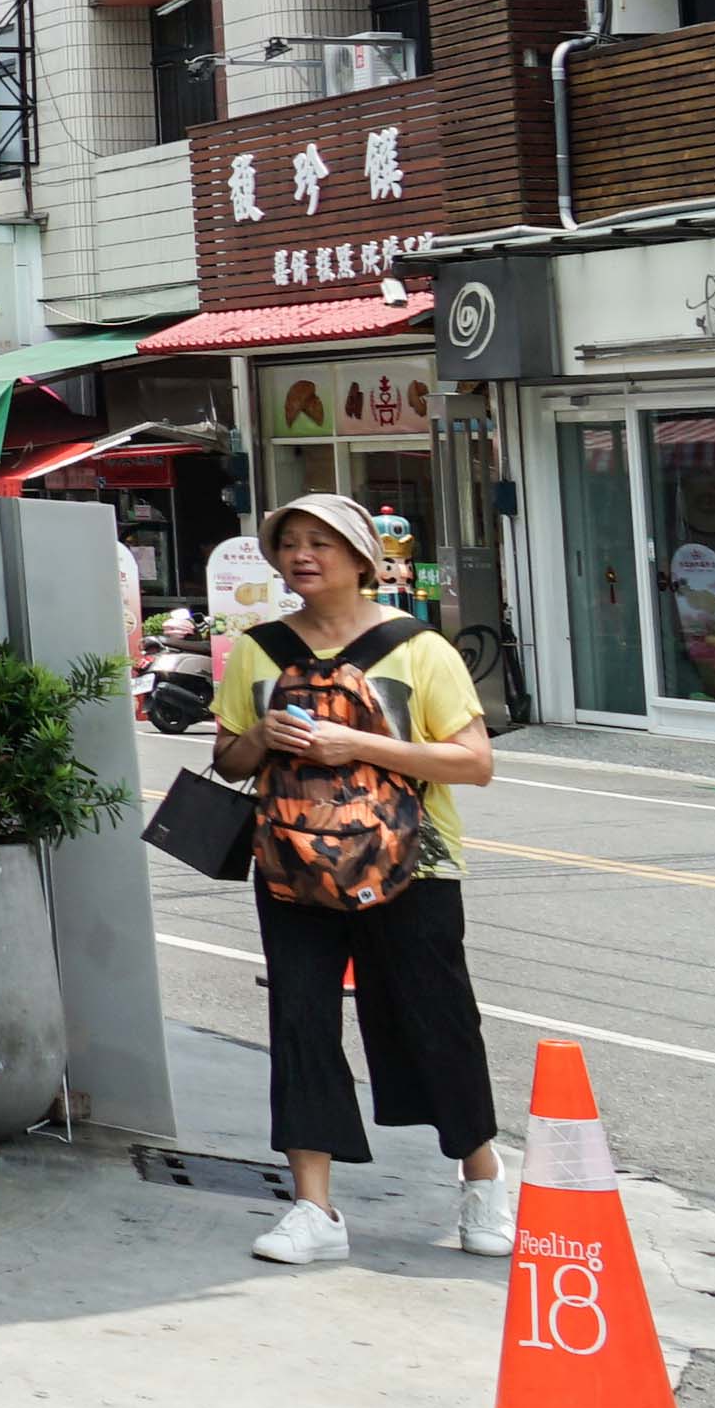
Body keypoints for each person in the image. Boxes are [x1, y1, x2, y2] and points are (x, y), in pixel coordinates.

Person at [207, 490, 510, 1268]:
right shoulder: (258, 649)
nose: (303, 556)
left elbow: (473, 762)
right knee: (300, 1021)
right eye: (290, 543)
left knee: (435, 1016)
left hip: (416, 864)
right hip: (292, 864)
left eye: (324, 543)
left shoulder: (418, 647)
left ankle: (481, 1179)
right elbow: (227, 757)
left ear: (363, 559)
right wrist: (260, 737)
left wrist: (358, 745)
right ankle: (314, 1207)